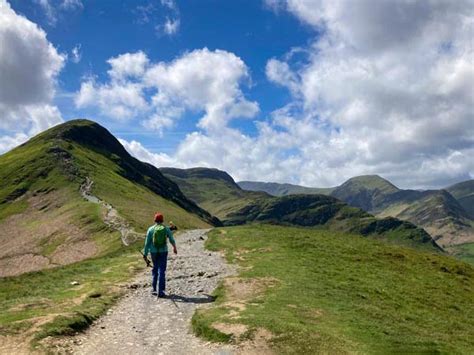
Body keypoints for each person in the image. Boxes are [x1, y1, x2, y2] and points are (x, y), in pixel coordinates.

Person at [143, 212, 177, 297]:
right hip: (163, 251)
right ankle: (161, 291)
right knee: (162, 270)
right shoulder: (166, 229)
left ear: (155, 220)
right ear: (162, 220)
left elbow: (147, 243)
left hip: (153, 252)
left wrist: (145, 253)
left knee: (155, 268)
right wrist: (174, 247)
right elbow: (171, 239)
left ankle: (154, 289)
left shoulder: (150, 229)